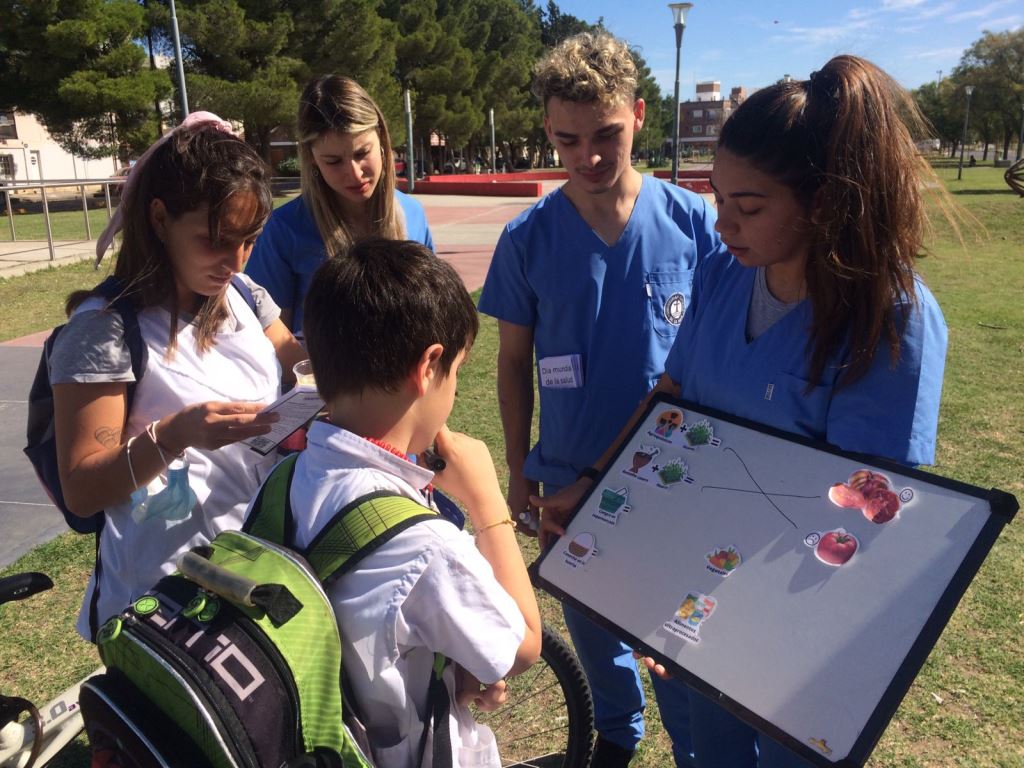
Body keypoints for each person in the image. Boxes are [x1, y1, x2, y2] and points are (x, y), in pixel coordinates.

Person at [538, 55, 950, 768]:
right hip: (706, 603)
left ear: (824, 201)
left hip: (799, 636)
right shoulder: (727, 273)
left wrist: (730, 626)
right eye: (717, 198)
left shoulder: (891, 318)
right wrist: (596, 486)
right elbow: (672, 397)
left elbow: (861, 521)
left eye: (749, 206)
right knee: (705, 753)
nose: (722, 223)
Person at [477, 31, 727, 767]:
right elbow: (514, 361)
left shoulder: (695, 225)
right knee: (591, 620)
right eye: (567, 139)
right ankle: (618, 733)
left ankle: (692, 744)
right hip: (567, 476)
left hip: (673, 477)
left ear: (640, 116)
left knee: (675, 629)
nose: (587, 157)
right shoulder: (528, 239)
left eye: (606, 136)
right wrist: (520, 467)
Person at [255, 238, 542, 768]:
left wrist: (454, 673)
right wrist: (486, 501)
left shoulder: (283, 478)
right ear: (430, 365)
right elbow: (522, 645)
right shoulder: (423, 544)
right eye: (455, 370)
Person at [51, 113, 307, 641]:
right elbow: (81, 488)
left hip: (252, 572)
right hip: (156, 602)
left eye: (250, 240)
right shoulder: (104, 329)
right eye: (216, 239)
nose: (234, 261)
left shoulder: (243, 296)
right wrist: (173, 435)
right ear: (161, 218)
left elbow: (300, 365)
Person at [246, 75, 434, 337]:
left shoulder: (413, 215)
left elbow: (431, 317)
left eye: (361, 153)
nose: (354, 174)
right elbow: (267, 341)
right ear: (311, 159)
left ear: (382, 140)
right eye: (333, 161)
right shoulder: (282, 230)